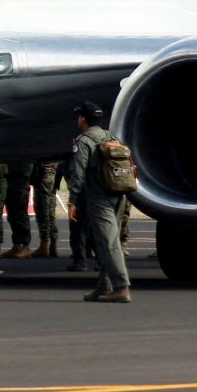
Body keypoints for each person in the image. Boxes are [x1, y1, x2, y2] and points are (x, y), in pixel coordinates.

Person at [68, 102, 131, 303]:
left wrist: (72, 200)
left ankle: (121, 287)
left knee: (108, 242)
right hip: (118, 194)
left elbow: (78, 172)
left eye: (79, 117)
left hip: (99, 197)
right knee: (106, 241)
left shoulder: (84, 140)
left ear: (84, 120)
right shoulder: (111, 137)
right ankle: (104, 286)